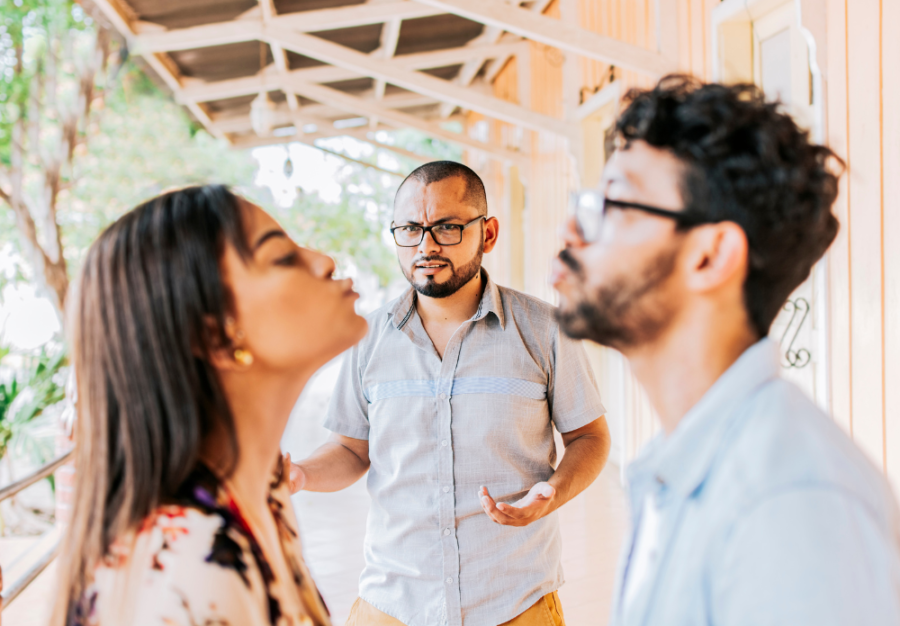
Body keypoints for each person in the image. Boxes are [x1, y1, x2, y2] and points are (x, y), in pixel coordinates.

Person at [552, 75, 900, 625]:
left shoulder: (788, 504)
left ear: (711, 257)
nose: (572, 229)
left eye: (614, 202)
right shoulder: (684, 464)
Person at [288, 161, 611, 626]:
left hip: (515, 601)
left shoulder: (544, 330)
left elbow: (590, 438)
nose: (426, 245)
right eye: (411, 228)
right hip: (392, 602)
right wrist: (300, 473)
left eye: (447, 227)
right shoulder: (367, 338)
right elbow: (349, 449)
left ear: (489, 233)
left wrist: (554, 492)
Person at [53, 185, 368, 626]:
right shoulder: (189, 569)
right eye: (282, 257)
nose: (324, 260)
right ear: (216, 335)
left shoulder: (266, 493)